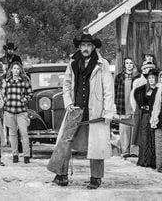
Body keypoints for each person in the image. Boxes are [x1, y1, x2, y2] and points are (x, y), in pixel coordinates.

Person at [47, 31, 115, 189]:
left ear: (93, 47)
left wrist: (108, 111)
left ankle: (96, 178)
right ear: (79, 46)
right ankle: (61, 175)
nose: (85, 48)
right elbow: (66, 84)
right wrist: (68, 102)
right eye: (83, 45)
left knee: (96, 144)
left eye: (88, 45)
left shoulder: (101, 63)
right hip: (75, 108)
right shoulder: (72, 62)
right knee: (65, 141)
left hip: (95, 108)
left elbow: (108, 89)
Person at [1, 60, 33, 163]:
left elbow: (30, 94)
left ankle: (26, 155)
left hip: (21, 111)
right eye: (14, 68)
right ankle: (15, 155)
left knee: (24, 133)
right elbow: (2, 94)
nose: (16, 70)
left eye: (18, 68)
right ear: (11, 70)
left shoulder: (24, 81)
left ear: (20, 70)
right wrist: (5, 99)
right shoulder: (7, 81)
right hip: (9, 111)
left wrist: (25, 99)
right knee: (13, 134)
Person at [133, 68, 158, 168]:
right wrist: (142, 106)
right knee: (144, 137)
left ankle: (153, 161)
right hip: (145, 116)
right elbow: (136, 96)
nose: (151, 80)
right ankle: (144, 160)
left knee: (154, 138)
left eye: (153, 78)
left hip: (155, 116)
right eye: (149, 78)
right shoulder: (142, 89)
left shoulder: (159, 89)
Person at [114, 57, 139, 158]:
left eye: (131, 63)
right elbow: (115, 91)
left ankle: (133, 151)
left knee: (134, 130)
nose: (129, 65)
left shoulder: (137, 77)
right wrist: (115, 105)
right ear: (124, 65)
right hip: (122, 107)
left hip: (134, 107)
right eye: (127, 63)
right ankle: (125, 151)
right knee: (124, 131)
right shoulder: (119, 77)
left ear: (133, 65)